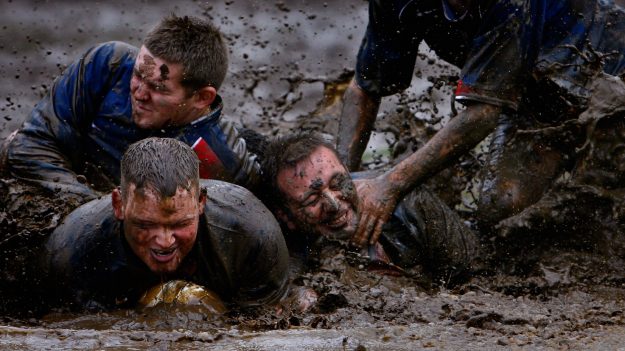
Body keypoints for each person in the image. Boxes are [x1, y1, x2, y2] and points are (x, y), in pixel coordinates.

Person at [337, 0, 625, 247]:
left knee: (607, 198)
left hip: (606, 65)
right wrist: (340, 179)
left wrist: (391, 185)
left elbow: (482, 114)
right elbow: (366, 87)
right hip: (532, 86)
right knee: (501, 207)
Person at [0, 14, 260, 205]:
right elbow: (29, 145)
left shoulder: (222, 157)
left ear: (202, 98)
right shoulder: (108, 65)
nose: (138, 93)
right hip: (78, 199)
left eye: (159, 89)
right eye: (137, 75)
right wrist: (99, 209)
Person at [43, 137, 289, 311]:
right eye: (145, 225)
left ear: (201, 202)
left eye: (180, 224)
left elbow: (261, 329)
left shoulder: (251, 233)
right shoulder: (73, 250)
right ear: (119, 205)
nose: (164, 242)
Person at [261, 132, 480, 281]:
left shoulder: (410, 203)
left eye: (338, 183)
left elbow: (475, 274)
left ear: (348, 170)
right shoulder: (278, 255)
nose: (334, 204)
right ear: (286, 215)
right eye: (312, 200)